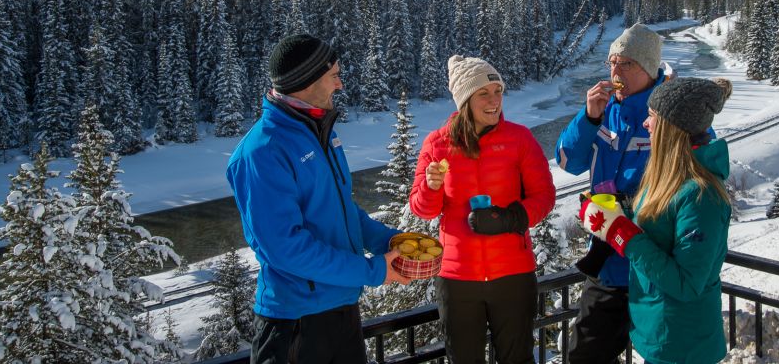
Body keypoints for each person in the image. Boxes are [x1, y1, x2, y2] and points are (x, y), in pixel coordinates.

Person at [227, 34, 410, 364]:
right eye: (334, 76)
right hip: (295, 323)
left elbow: (339, 210)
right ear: (306, 81)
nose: (340, 86)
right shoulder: (262, 152)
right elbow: (285, 248)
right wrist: (372, 270)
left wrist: (390, 241)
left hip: (341, 310)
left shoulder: (318, 131)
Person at [409, 55, 556, 364]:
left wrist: (508, 218)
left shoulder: (519, 139)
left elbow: (544, 197)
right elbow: (422, 210)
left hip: (512, 274)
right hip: (457, 279)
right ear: (465, 100)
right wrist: (431, 187)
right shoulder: (437, 144)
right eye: (484, 94)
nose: (494, 101)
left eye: (498, 91)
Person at [578, 77, 733, 364]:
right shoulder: (668, 177)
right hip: (660, 332)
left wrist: (620, 233)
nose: (645, 124)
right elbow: (656, 233)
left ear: (674, 128)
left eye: (652, 117)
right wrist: (613, 215)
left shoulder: (701, 195)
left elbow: (687, 283)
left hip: (684, 344)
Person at [554, 23, 671, 364]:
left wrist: (629, 208)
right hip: (608, 266)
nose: (615, 72)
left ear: (649, 69)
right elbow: (567, 161)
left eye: (626, 64)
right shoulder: (605, 112)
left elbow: (691, 181)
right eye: (612, 63)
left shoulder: (670, 112)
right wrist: (588, 117)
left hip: (654, 271)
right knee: (584, 356)